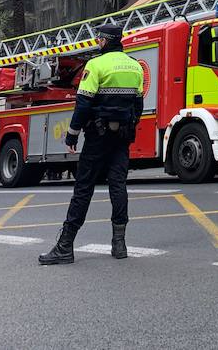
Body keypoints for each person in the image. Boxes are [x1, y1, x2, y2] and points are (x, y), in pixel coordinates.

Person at [38, 24, 144, 265]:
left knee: (83, 188)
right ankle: (119, 244)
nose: (97, 42)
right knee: (118, 186)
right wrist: (129, 128)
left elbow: (83, 104)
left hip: (98, 136)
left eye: (99, 39)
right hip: (122, 137)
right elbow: (137, 105)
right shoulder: (135, 66)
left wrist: (72, 135)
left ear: (105, 42)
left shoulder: (96, 65)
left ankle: (65, 246)